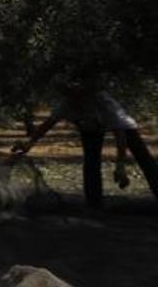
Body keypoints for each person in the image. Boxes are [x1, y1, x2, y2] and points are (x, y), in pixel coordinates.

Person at [12, 83, 158, 208]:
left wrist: (120, 166)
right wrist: (29, 144)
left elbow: (120, 135)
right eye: (70, 95)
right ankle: (94, 203)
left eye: (78, 95)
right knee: (91, 161)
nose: (75, 99)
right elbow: (48, 124)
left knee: (144, 157)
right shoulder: (66, 105)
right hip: (89, 127)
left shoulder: (104, 103)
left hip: (122, 126)